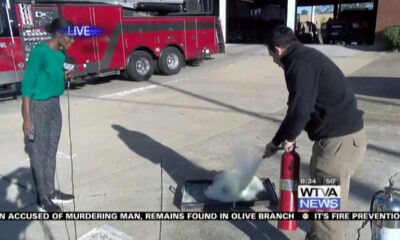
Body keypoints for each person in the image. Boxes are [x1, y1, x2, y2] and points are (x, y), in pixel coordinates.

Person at [263, 26, 367, 240]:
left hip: (338, 144)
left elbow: (302, 110)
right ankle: (315, 236)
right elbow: (295, 109)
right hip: (342, 140)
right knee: (322, 204)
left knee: (327, 216)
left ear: (277, 50)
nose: (273, 60)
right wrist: (276, 141)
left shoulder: (297, 65)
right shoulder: (304, 57)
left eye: (271, 55)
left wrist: (290, 139)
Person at [21, 18, 75, 212]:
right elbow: (27, 88)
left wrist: (65, 76)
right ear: (59, 35)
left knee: (51, 150)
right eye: (70, 36)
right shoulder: (39, 53)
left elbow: (54, 75)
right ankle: (42, 198)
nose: (73, 41)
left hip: (55, 106)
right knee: (40, 154)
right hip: (39, 108)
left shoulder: (61, 55)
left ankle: (51, 191)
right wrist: (27, 119)